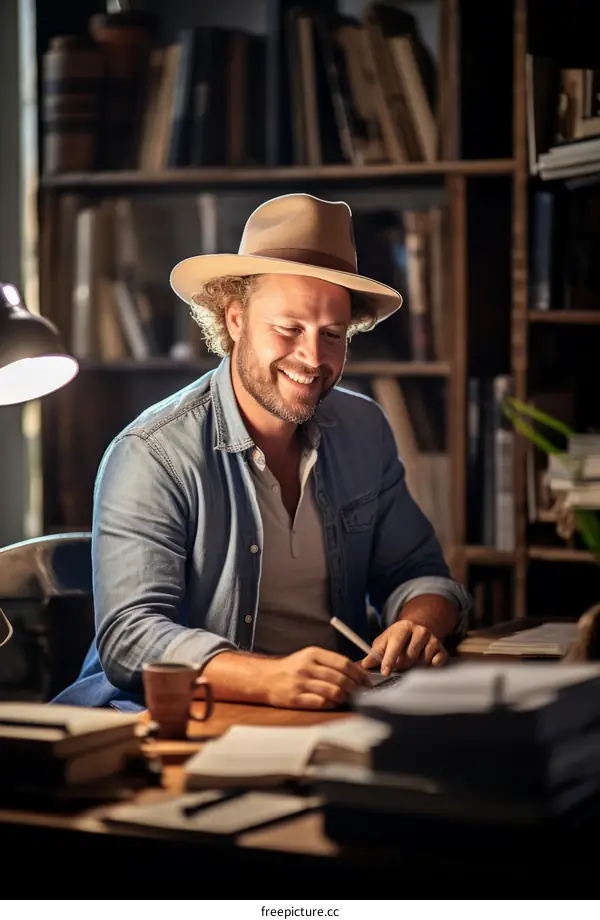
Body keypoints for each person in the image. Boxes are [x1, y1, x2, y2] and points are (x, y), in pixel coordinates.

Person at [52, 193, 470, 713]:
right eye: (288, 329)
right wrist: (266, 679)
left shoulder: (365, 428)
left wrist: (418, 624)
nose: (312, 358)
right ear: (235, 320)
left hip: (332, 714)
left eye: (333, 335)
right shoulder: (152, 453)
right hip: (183, 723)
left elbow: (419, 572)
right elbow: (130, 637)